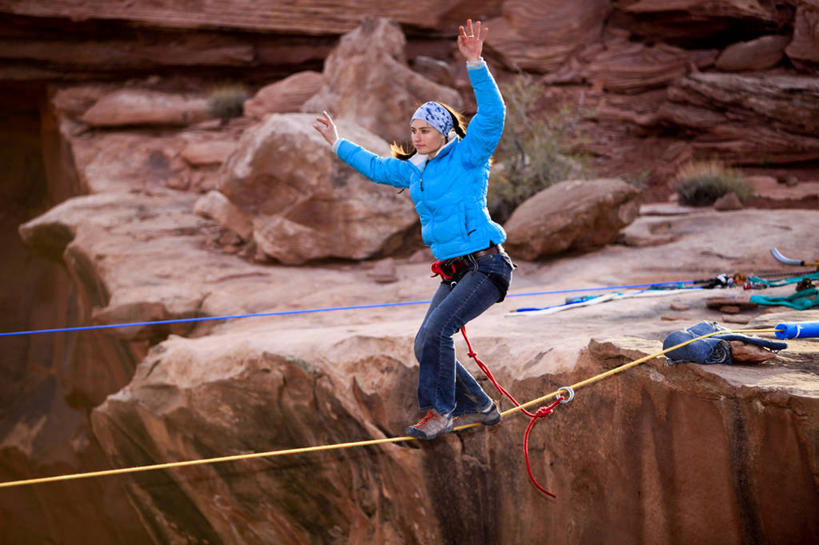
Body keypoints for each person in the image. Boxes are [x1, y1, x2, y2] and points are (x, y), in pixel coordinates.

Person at [313, 19, 513, 440]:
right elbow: (374, 166)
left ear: (442, 131)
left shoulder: (468, 156)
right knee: (426, 342)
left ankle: (439, 413)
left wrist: (475, 63)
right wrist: (337, 142)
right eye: (413, 131)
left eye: (423, 130)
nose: (416, 137)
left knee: (438, 332)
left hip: (486, 266)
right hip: (457, 270)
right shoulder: (414, 171)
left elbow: (493, 115)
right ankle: (481, 406)